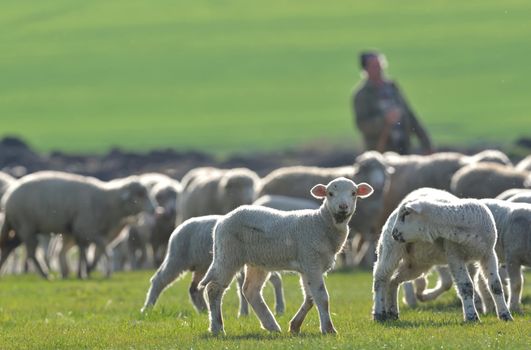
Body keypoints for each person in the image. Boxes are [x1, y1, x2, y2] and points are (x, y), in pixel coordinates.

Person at [352, 51, 433, 155]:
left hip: (403, 147)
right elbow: (362, 125)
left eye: (380, 65)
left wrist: (426, 143)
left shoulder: (392, 87)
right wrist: (384, 120)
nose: (379, 69)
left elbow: (410, 115)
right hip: (381, 150)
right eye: (374, 66)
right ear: (365, 69)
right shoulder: (362, 95)